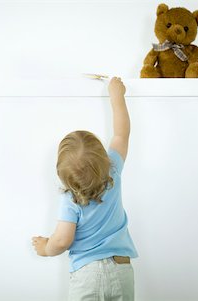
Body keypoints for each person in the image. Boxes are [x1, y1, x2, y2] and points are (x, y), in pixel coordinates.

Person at [32, 77, 138, 301]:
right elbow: (121, 134)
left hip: (87, 274)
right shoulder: (113, 171)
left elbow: (62, 240)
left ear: (65, 177)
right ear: (102, 157)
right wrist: (117, 95)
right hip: (121, 270)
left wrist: (44, 248)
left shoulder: (71, 200)